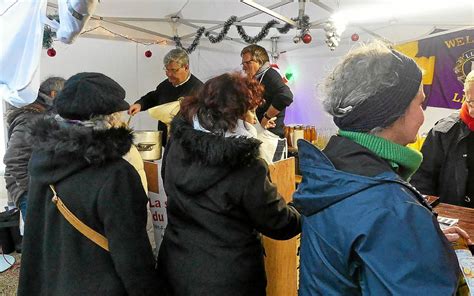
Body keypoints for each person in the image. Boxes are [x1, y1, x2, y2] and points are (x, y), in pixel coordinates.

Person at [294, 42, 464, 295]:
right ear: (392, 113)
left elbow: (357, 235)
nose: (422, 116)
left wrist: (422, 239)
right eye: (420, 104)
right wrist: (410, 229)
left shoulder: (331, 171)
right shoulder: (392, 207)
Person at [157, 73, 301, 295]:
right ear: (234, 116)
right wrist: (303, 206)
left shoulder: (177, 143)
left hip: (177, 268)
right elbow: (279, 223)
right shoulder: (247, 166)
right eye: (250, 110)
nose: (254, 118)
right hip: (229, 278)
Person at [18, 72, 157, 296]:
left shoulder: (41, 158)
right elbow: (133, 259)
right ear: (109, 118)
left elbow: (35, 239)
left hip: (52, 284)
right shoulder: (117, 175)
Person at [3, 76, 65, 221]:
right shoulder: (30, 117)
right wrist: (33, 189)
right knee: (40, 240)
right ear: (54, 95)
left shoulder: (39, 114)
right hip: (28, 194)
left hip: (31, 190)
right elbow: (13, 159)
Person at [411, 70, 474, 207]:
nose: (471, 111)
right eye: (470, 102)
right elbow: (422, 181)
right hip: (456, 220)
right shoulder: (443, 132)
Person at [128, 48, 203, 146]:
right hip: (166, 143)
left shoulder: (199, 90)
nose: (169, 74)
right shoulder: (165, 85)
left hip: (187, 145)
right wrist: (140, 104)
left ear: (186, 67)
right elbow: (153, 97)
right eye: (167, 69)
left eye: (173, 70)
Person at [240, 44, 293, 139]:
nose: (244, 67)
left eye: (247, 63)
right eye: (243, 64)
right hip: (261, 134)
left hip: (270, 136)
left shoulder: (270, 74)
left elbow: (286, 96)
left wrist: (266, 118)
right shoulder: (256, 78)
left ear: (259, 61)